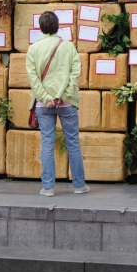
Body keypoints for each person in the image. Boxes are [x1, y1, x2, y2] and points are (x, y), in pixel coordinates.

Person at [27, 11, 88, 197]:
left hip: (43, 105)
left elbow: (33, 78)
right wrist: (64, 95)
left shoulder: (33, 49)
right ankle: (79, 185)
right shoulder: (69, 47)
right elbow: (75, 73)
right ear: (58, 26)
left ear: (40, 27)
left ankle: (48, 188)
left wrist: (46, 98)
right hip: (67, 103)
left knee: (47, 143)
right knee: (73, 143)